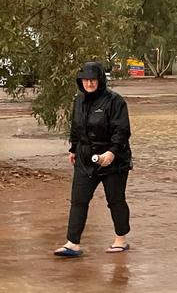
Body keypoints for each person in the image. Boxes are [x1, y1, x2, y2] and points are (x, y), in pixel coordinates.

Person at [54, 62, 133, 257]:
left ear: (100, 80)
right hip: (85, 158)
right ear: (80, 82)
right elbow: (76, 127)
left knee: (115, 200)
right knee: (78, 201)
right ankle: (72, 243)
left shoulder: (115, 101)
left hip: (113, 160)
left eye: (93, 80)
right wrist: (73, 149)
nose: (89, 83)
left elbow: (122, 131)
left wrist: (112, 152)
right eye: (85, 80)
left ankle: (121, 240)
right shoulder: (78, 100)